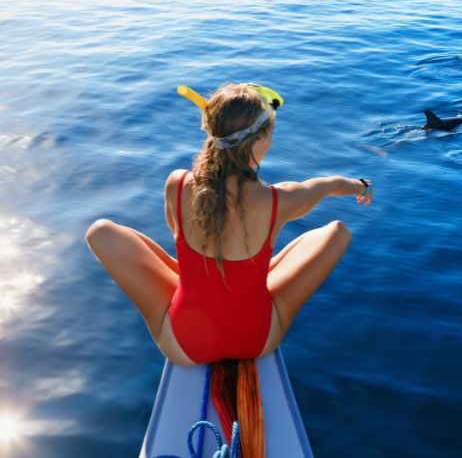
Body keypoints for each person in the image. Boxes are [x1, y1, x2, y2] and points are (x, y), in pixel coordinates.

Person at [85, 82, 373, 367]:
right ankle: (244, 278)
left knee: (100, 232)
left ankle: (204, 283)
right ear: (259, 141)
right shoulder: (279, 200)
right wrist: (361, 186)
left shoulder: (178, 183)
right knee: (337, 232)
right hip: (258, 340)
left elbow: (175, 229)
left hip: (184, 345)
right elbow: (327, 185)